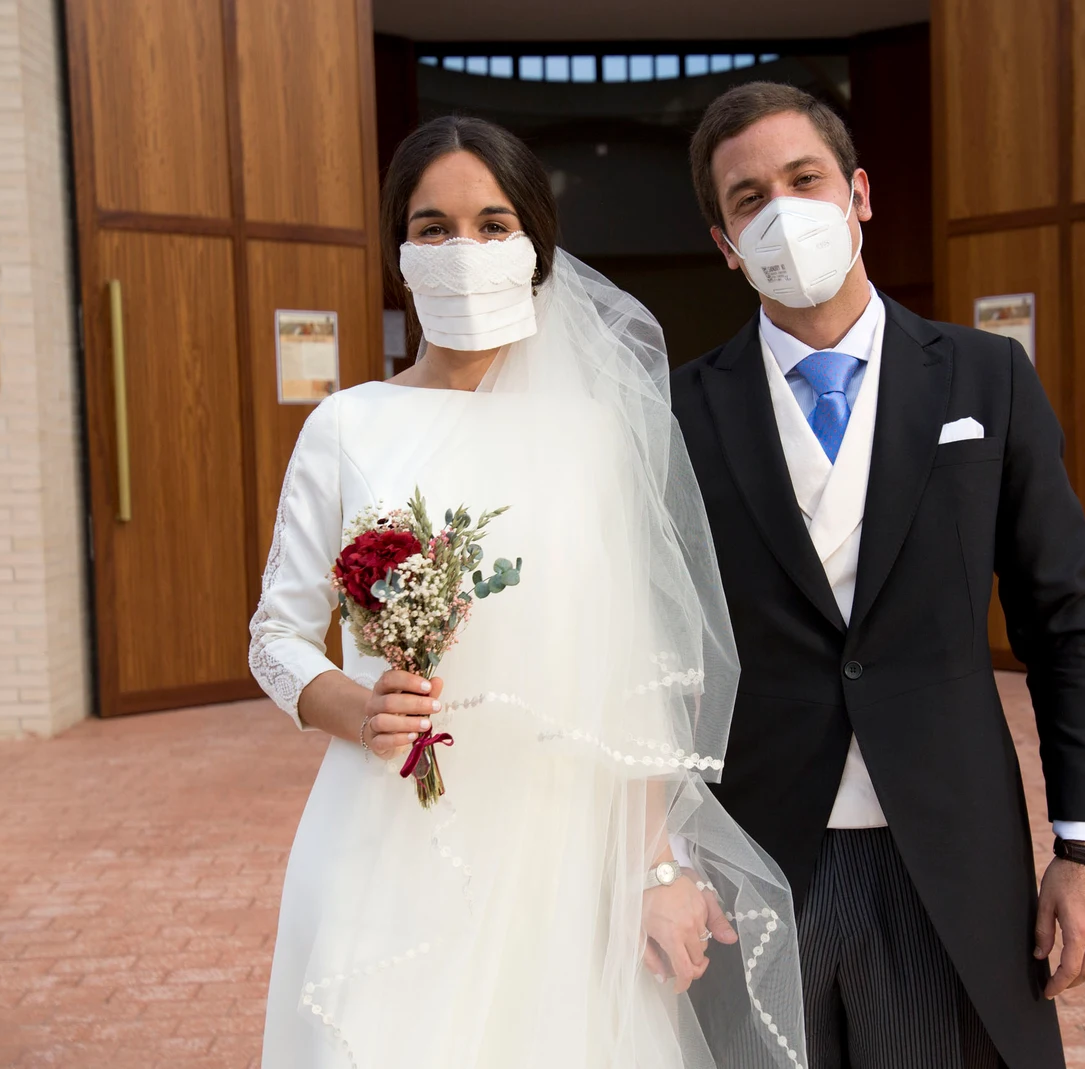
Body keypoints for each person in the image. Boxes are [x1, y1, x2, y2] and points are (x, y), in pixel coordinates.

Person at [248, 116, 809, 1068]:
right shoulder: (349, 425)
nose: (461, 250)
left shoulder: (591, 436)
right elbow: (276, 637)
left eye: (492, 223)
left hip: (560, 842)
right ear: (400, 252)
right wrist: (358, 705)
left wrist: (656, 867)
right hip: (390, 830)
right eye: (433, 229)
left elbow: (635, 673)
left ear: (536, 249)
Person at [671, 83, 1085, 1069]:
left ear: (859, 195)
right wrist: (659, 862)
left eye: (804, 179)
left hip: (944, 852)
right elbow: (650, 649)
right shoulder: (678, 411)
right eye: (750, 198)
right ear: (722, 241)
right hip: (755, 859)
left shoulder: (983, 379)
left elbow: (1063, 620)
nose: (783, 210)